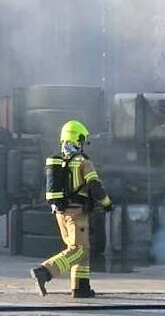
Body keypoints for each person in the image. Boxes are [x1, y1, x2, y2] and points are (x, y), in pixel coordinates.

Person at [30, 119, 112, 299]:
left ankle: (81, 287)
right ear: (77, 139)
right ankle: (44, 272)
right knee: (79, 250)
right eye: (82, 141)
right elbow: (95, 187)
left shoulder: (58, 162)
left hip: (60, 213)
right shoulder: (83, 162)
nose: (83, 145)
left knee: (82, 249)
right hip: (76, 213)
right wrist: (106, 203)